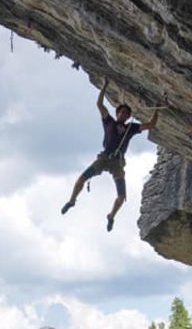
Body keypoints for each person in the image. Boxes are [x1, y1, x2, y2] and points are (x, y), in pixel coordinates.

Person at [61, 78, 158, 231]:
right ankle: (72, 201)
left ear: (128, 117)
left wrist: (157, 109)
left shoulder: (131, 128)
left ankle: (111, 216)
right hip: (104, 158)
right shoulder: (109, 122)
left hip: (117, 163)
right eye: (122, 112)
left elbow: (151, 125)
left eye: (126, 114)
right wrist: (104, 86)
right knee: (81, 178)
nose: (124, 115)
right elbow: (99, 105)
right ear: (118, 113)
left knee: (121, 197)